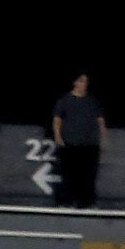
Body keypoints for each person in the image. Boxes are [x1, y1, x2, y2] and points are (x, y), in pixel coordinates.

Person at [49, 75, 103, 208]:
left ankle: (86, 203)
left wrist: (102, 138)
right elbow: (57, 120)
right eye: (82, 81)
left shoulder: (92, 101)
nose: (84, 84)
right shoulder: (65, 101)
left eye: (86, 82)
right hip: (70, 144)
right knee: (68, 175)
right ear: (75, 82)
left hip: (89, 145)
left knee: (88, 176)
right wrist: (58, 136)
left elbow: (100, 120)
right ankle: (66, 202)